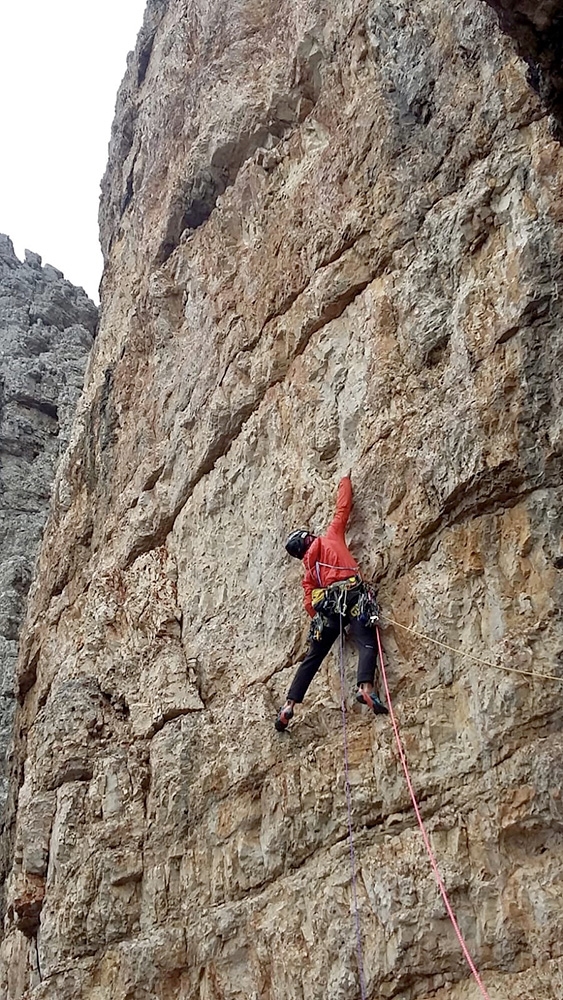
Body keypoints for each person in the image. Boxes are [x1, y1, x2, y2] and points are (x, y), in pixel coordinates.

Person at [276, 472, 388, 732]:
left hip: (329, 609)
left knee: (313, 658)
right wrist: (345, 480)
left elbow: (309, 606)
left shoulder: (309, 574)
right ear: (309, 538)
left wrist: (327, 619)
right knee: (367, 642)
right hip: (353, 596)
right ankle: (366, 689)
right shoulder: (330, 538)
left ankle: (289, 705)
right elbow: (343, 507)